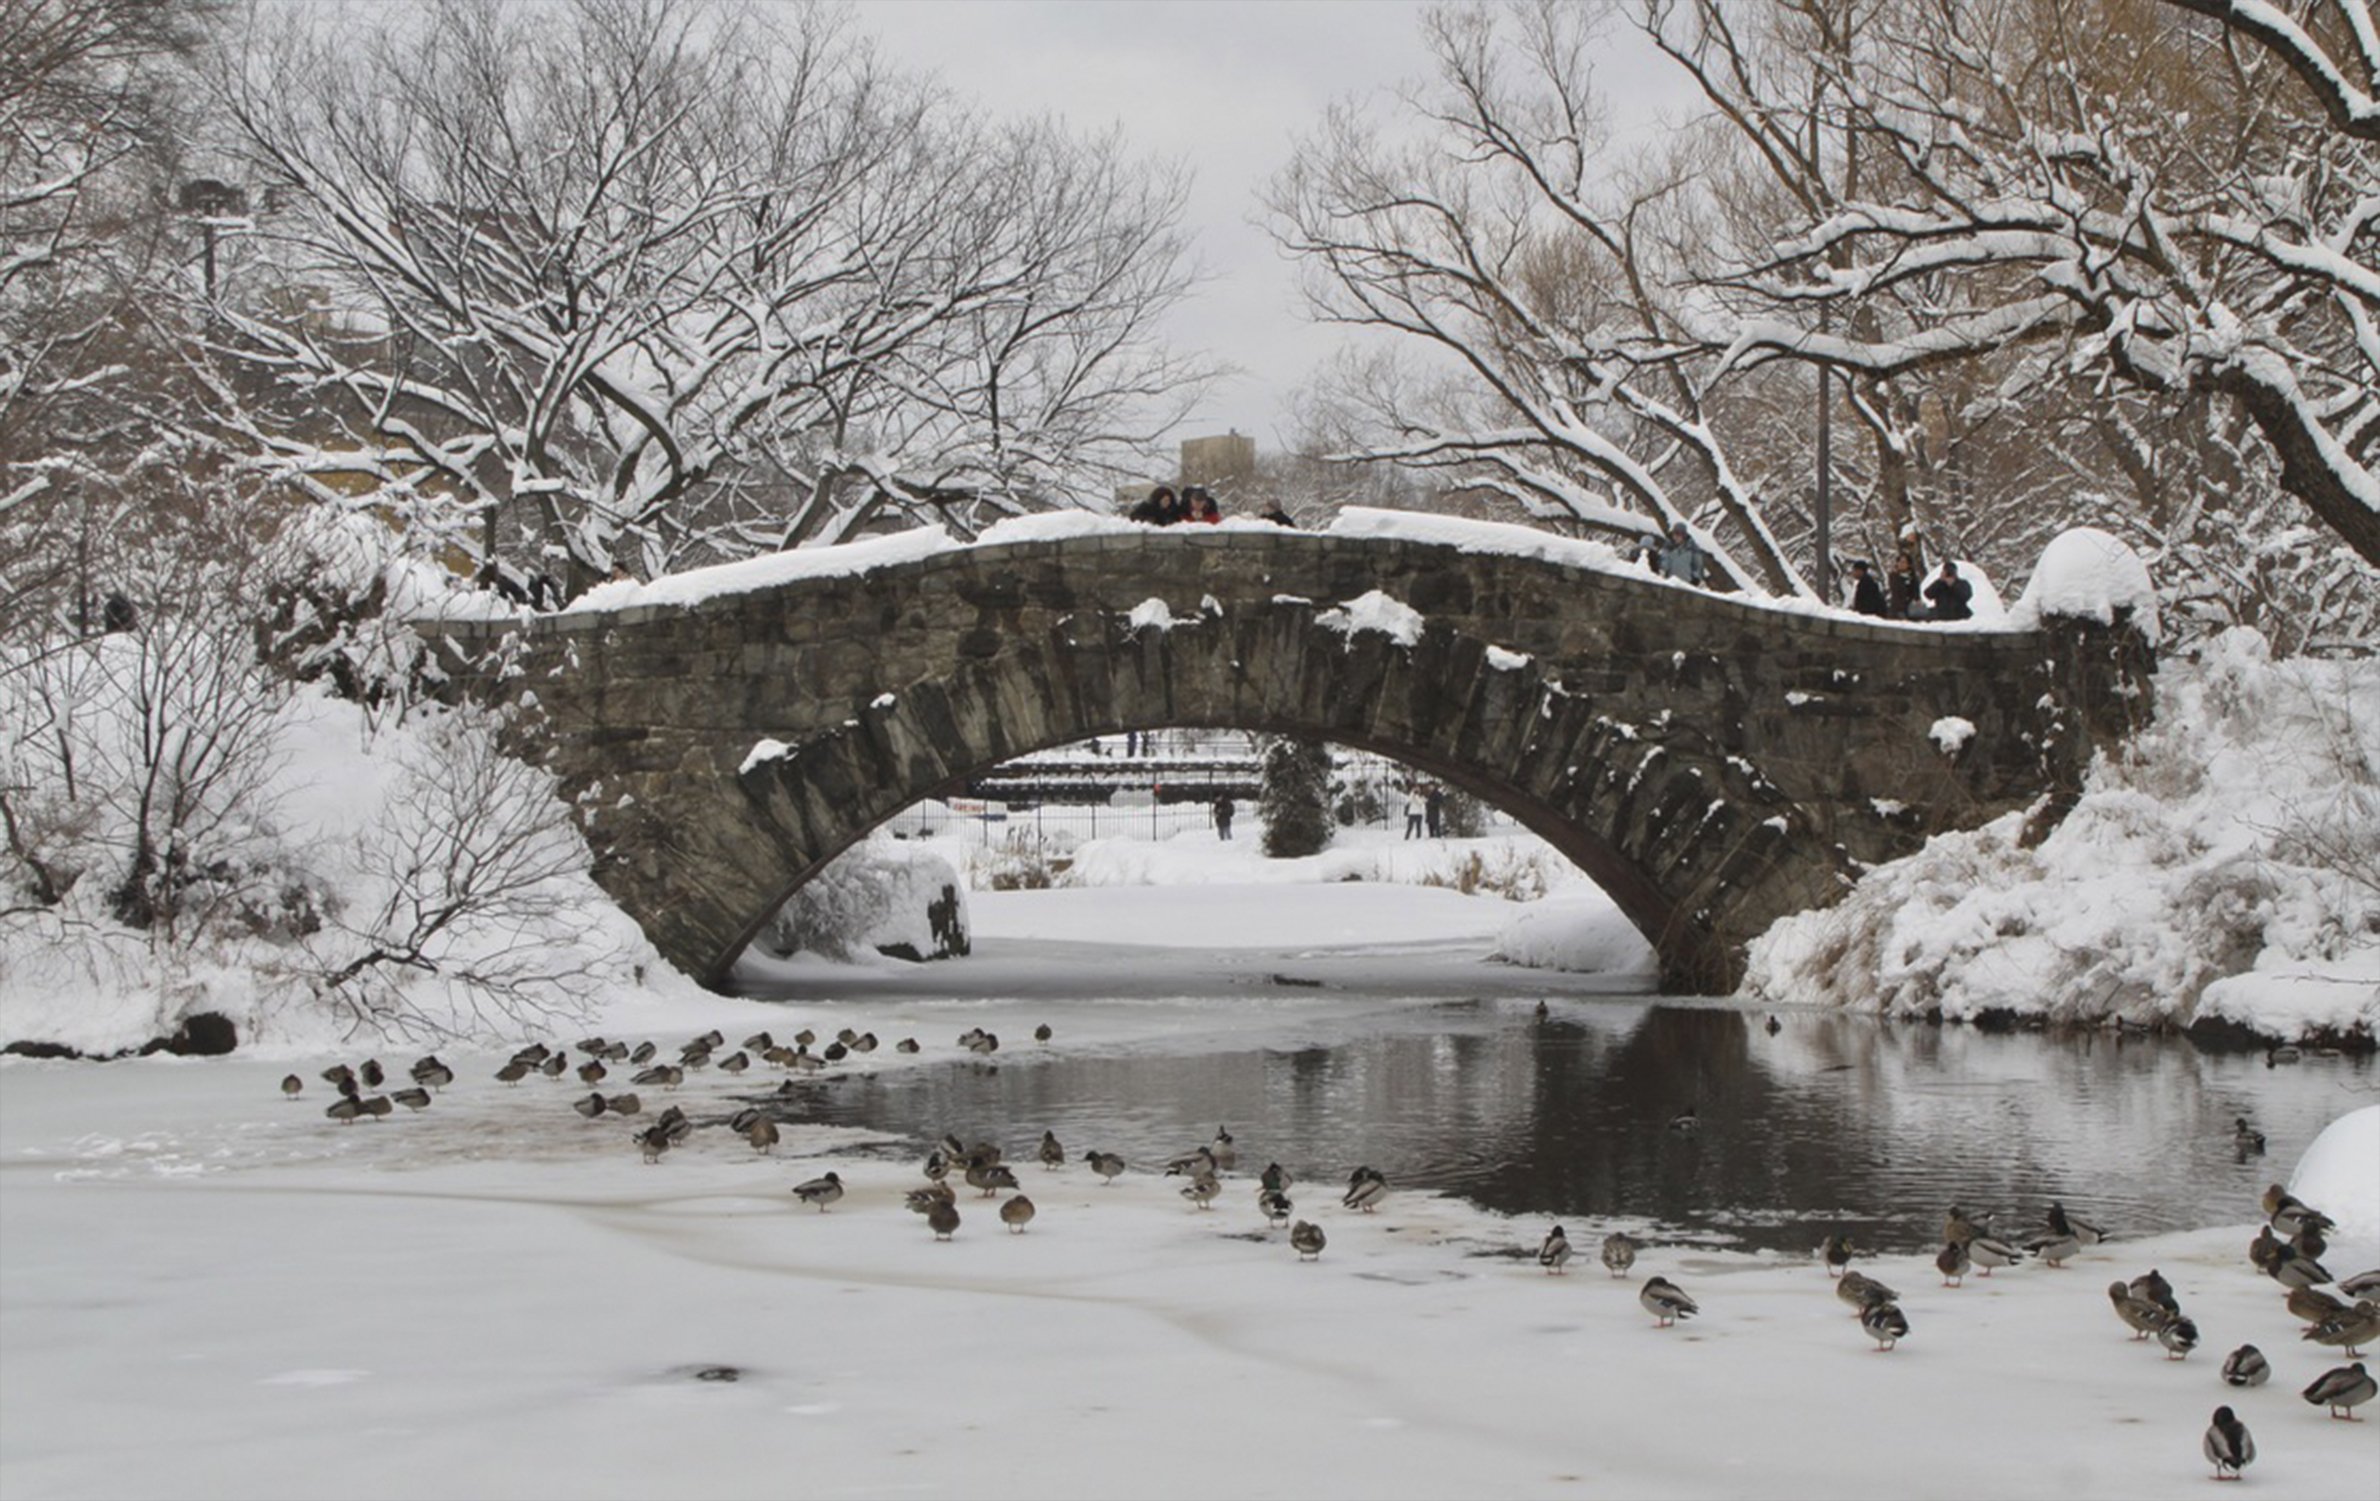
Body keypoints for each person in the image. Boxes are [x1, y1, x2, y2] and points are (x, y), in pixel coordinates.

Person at [1886, 551, 1921, 619]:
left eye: (1904, 562)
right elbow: (1896, 593)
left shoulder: (1913, 578)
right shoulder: (1894, 576)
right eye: (1899, 562)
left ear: (1908, 564)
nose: (1901, 564)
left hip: (1911, 610)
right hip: (1897, 609)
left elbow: (1916, 594)